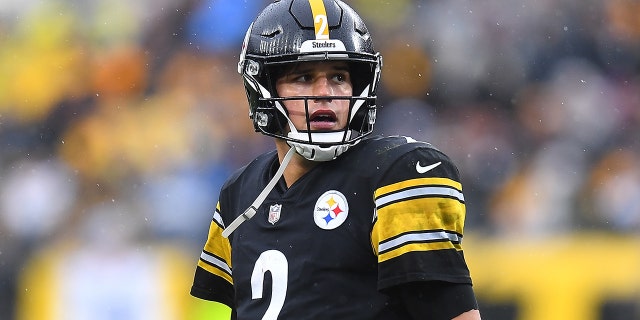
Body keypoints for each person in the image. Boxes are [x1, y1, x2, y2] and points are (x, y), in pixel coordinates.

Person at [190, 0, 481, 319]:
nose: (324, 92)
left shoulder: (398, 173)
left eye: (339, 77)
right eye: (303, 78)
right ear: (262, 89)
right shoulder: (240, 193)